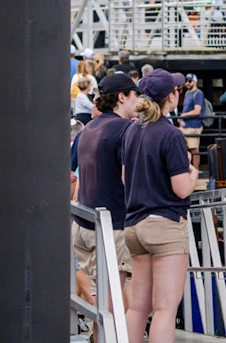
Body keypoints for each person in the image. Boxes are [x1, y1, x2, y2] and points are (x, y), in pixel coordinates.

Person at [121, 69, 199, 343]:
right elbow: (180, 189)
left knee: (138, 306)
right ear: (172, 96)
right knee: (165, 308)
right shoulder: (172, 135)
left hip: (134, 225)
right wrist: (193, 174)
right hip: (165, 225)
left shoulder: (131, 130)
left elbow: (124, 177)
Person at [73, 73, 139, 333]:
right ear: (122, 97)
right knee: (114, 298)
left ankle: (99, 335)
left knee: (101, 297)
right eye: (135, 95)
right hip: (113, 224)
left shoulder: (89, 127)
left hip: (84, 223)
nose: (138, 100)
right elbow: (128, 176)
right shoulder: (126, 129)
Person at [177, 73, 206, 169]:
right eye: (186, 81)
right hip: (185, 125)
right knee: (183, 148)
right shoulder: (187, 93)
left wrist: (183, 115)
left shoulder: (198, 93)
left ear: (195, 82)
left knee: (194, 148)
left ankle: (196, 170)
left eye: (189, 81)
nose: (187, 83)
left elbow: (197, 111)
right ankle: (187, 168)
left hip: (194, 125)